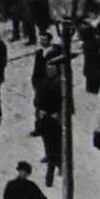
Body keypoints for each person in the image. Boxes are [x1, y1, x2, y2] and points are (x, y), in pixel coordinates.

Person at [34, 47, 64, 188]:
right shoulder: (43, 83)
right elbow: (37, 100)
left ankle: (55, 169)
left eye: (52, 69)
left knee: (57, 144)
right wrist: (40, 111)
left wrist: (58, 113)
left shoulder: (60, 84)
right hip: (45, 117)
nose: (49, 71)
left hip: (55, 118)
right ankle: (54, 162)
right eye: (48, 69)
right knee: (47, 142)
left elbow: (64, 101)